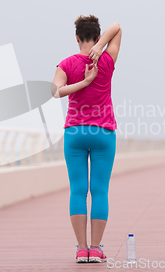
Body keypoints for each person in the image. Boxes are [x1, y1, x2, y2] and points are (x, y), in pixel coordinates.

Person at [52, 15, 122, 263]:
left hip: (75, 132)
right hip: (103, 132)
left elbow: (55, 91)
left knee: (78, 191)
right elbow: (118, 28)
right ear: (98, 35)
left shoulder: (67, 63)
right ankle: (96, 248)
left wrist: (82, 82)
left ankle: (82, 249)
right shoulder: (106, 59)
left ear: (76, 37)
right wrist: (99, 47)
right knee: (99, 191)